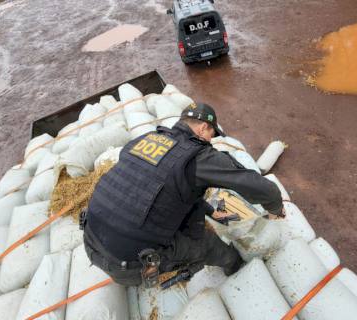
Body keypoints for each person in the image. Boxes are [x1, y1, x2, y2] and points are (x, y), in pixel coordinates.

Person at [83, 102, 284, 286]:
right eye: (211, 135)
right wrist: (276, 209)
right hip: (128, 265)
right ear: (203, 128)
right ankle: (236, 267)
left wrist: (209, 211)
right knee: (207, 244)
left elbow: (160, 187)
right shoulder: (198, 157)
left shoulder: (145, 139)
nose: (210, 141)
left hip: (91, 242)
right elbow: (262, 187)